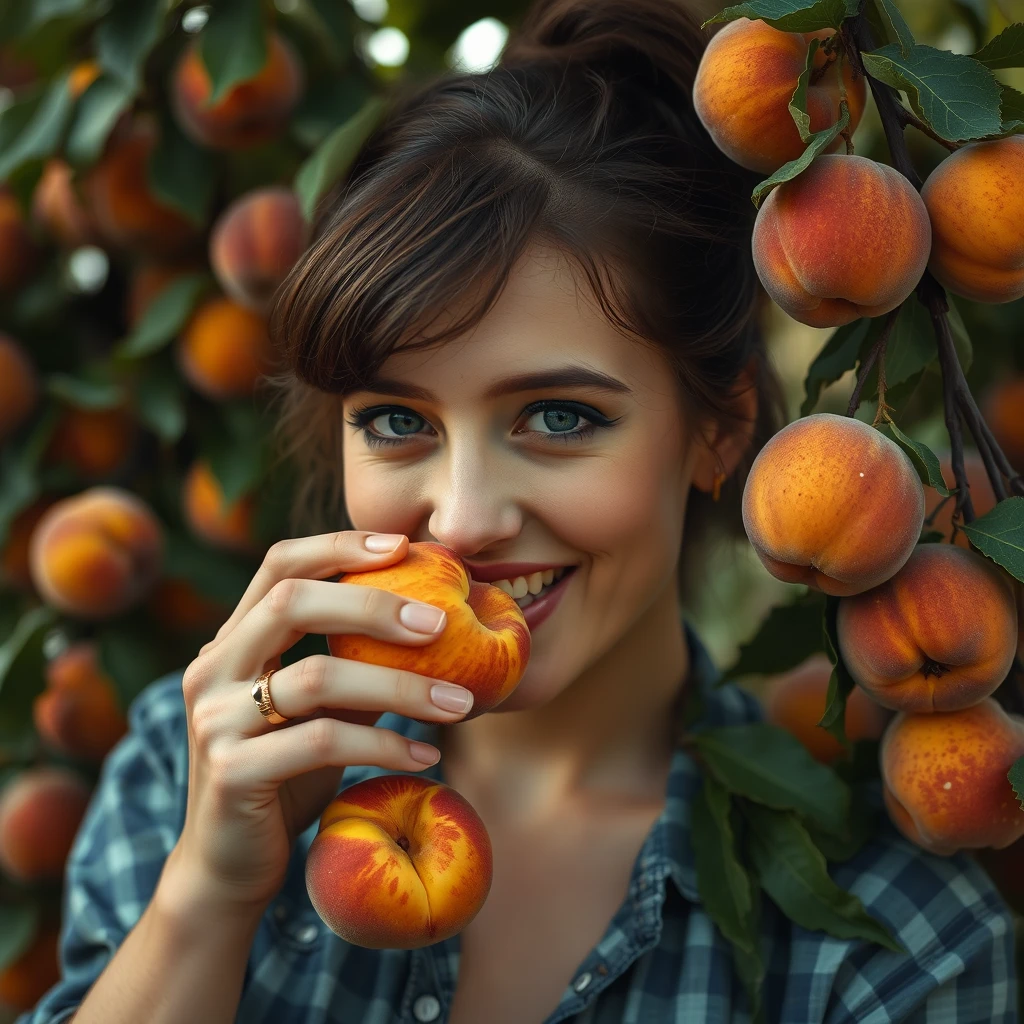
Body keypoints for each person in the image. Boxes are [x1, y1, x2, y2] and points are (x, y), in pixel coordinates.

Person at [18, 0, 1017, 1021]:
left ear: (719, 430)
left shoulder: (894, 942)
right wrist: (207, 900)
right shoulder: (195, 772)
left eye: (556, 414)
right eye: (398, 421)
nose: (459, 518)